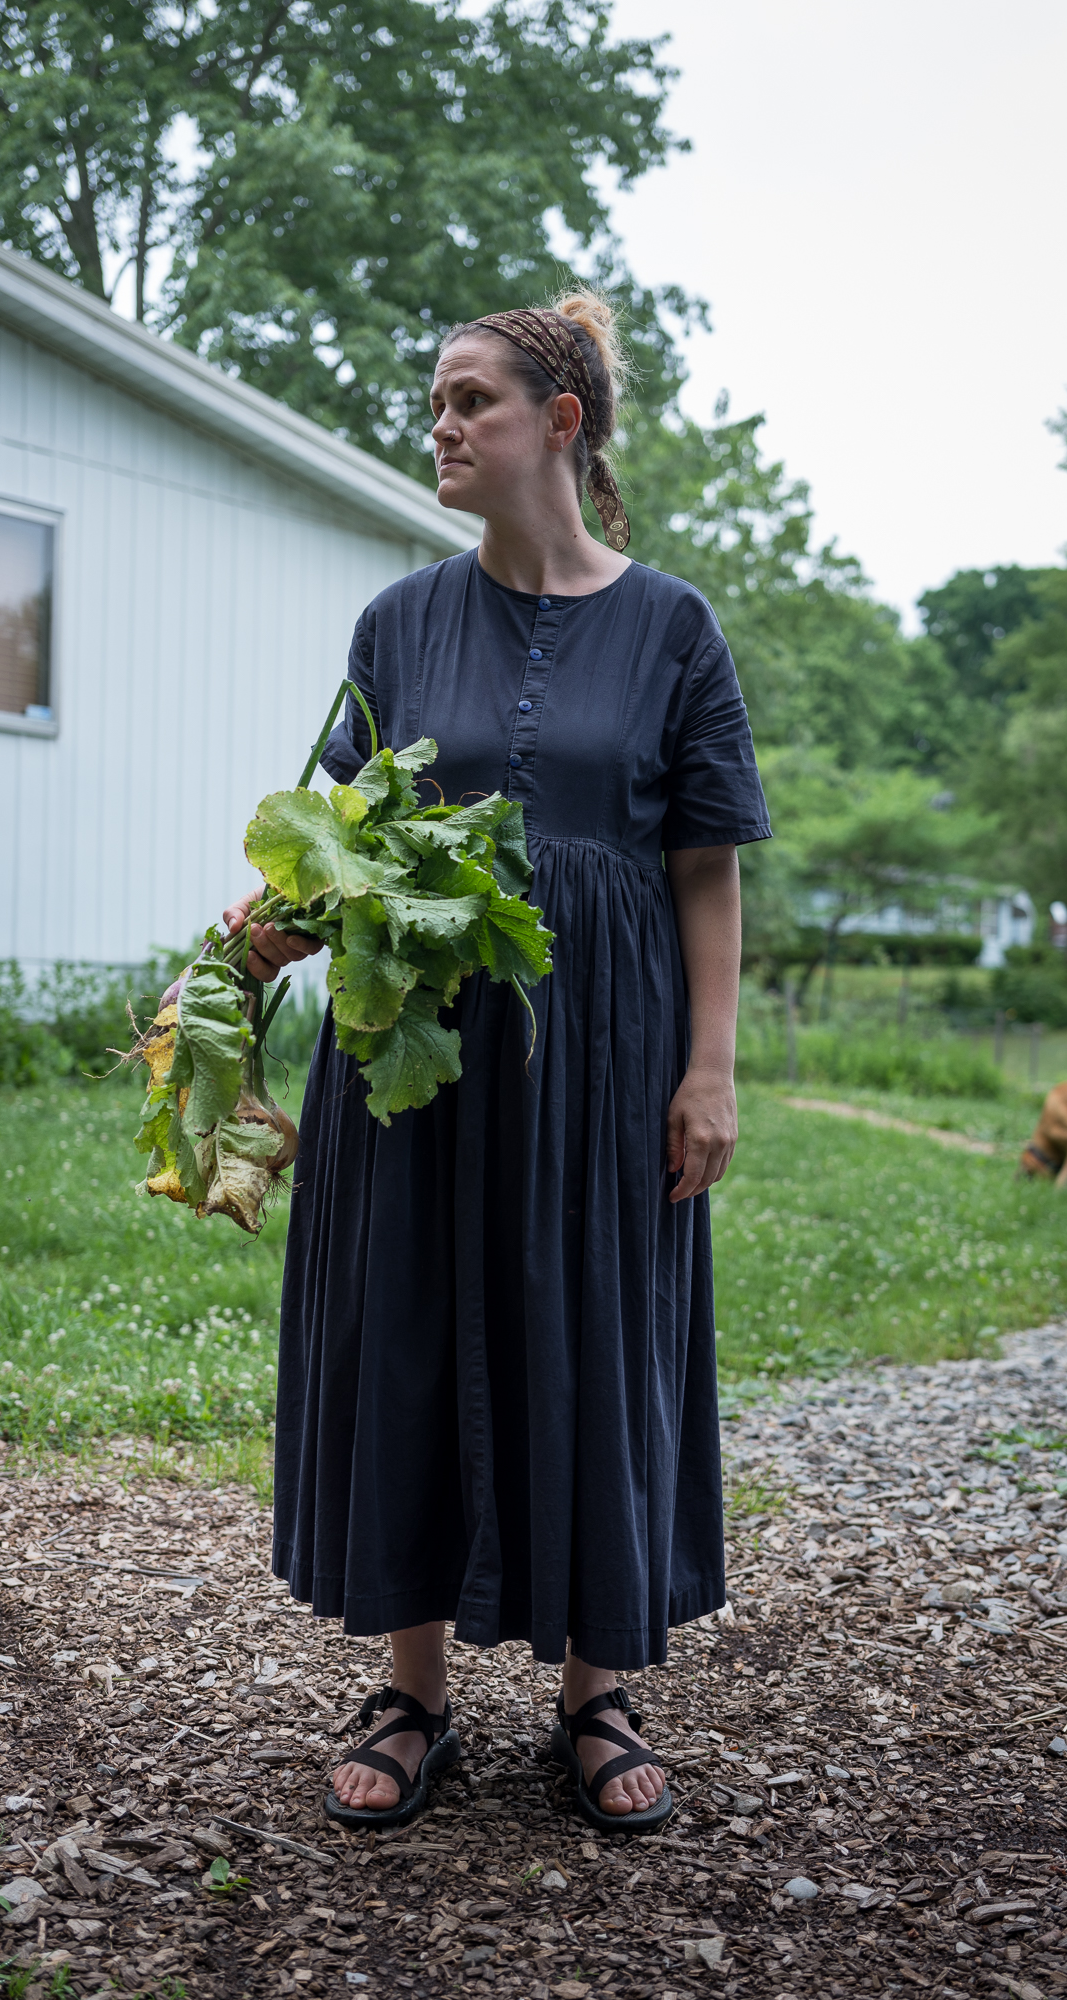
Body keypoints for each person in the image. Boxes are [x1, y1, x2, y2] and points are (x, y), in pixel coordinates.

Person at [225, 290, 770, 1834]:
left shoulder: (673, 626)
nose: (443, 426)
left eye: (472, 399)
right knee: (407, 1319)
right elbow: (346, 845)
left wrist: (709, 1067)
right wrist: (249, 949)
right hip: (415, 1055)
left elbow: (708, 866)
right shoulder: (397, 624)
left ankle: (597, 1693)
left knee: (595, 1331)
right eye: (438, 402)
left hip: (605, 1056)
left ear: (562, 422)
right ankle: (413, 1689)